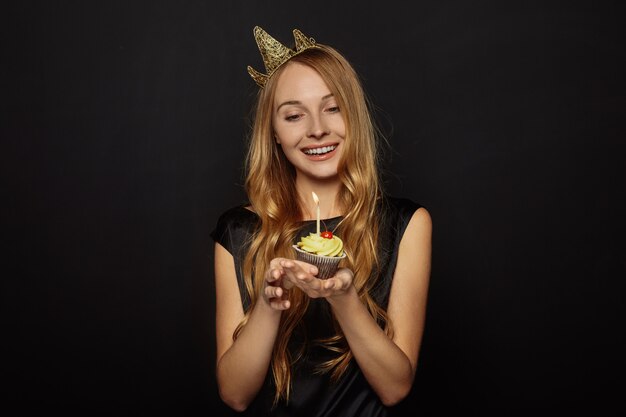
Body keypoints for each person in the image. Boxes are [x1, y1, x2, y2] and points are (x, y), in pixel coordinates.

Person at [210, 26, 432, 416]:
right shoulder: (240, 232)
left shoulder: (406, 224)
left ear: (354, 116)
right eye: (294, 115)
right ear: (274, 133)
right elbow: (235, 394)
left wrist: (343, 298)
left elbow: (396, 388)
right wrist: (268, 304)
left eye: (332, 108)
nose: (316, 128)